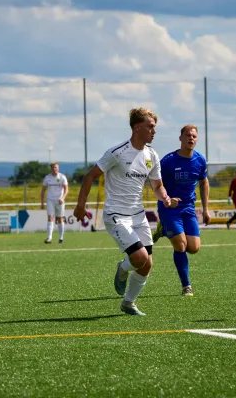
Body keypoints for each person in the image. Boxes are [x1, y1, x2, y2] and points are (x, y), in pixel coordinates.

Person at [73, 108, 179, 316]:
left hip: (138, 215)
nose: (154, 131)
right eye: (150, 127)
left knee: (147, 264)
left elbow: (157, 186)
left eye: (154, 127)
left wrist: (166, 199)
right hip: (116, 215)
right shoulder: (117, 152)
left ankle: (128, 303)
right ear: (137, 127)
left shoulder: (152, 155)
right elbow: (89, 176)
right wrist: (80, 205)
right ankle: (122, 269)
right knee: (139, 257)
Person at [151, 124, 211, 296]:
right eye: (187, 135)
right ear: (181, 138)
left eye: (194, 136)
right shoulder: (168, 161)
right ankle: (186, 286)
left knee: (193, 248)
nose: (191, 138)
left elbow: (204, 182)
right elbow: (155, 183)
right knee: (181, 244)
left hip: (188, 209)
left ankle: (163, 229)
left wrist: (206, 209)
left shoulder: (199, 161)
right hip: (169, 209)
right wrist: (167, 200)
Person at [41, 162, 69, 243]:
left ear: (58, 168)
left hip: (60, 200)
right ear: (51, 168)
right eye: (53, 167)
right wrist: (42, 202)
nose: (55, 169)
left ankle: (61, 238)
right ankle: (49, 238)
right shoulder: (47, 178)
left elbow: (66, 189)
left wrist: (63, 198)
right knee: (50, 218)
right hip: (50, 200)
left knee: (60, 219)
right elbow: (43, 190)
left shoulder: (62, 177)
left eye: (56, 167)